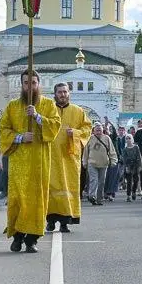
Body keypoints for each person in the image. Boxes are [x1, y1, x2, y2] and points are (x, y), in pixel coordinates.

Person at [0, 71, 61, 253]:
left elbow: (55, 126)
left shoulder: (48, 104)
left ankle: (32, 239)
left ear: (39, 84)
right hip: (18, 162)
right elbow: (3, 129)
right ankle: (17, 237)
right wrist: (19, 137)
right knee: (18, 199)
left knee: (36, 199)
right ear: (22, 85)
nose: (30, 86)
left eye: (33, 82)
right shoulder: (12, 106)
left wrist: (37, 117)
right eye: (26, 83)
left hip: (39, 161)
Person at [46, 83, 91, 232]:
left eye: (65, 92)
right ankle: (50, 221)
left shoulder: (78, 111)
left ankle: (65, 221)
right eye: (60, 92)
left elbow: (87, 129)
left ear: (69, 93)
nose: (63, 95)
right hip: (50, 155)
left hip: (69, 157)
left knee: (67, 187)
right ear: (55, 94)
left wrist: (76, 132)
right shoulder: (48, 110)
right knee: (50, 187)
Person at [84, 122, 117, 207]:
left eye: (100, 130)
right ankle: (92, 196)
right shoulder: (90, 138)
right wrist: (84, 162)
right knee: (93, 180)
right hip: (92, 163)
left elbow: (112, 151)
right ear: (93, 131)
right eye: (97, 130)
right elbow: (86, 152)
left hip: (103, 163)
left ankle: (99, 199)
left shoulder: (107, 138)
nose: (98, 131)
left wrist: (113, 161)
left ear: (103, 130)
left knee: (101, 182)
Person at [121, 133, 142, 201]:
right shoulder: (125, 149)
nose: (128, 140)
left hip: (136, 165)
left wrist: (139, 165)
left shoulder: (136, 147)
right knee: (129, 181)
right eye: (127, 138)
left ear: (132, 139)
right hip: (128, 166)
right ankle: (128, 195)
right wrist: (126, 167)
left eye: (129, 138)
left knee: (136, 180)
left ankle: (134, 192)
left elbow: (139, 157)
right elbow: (124, 159)